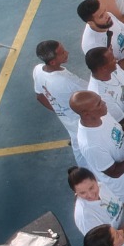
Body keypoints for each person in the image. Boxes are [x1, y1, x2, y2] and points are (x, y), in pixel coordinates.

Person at [33, 40, 95, 168]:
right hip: (83, 122)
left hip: (67, 121)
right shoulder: (67, 82)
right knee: (92, 150)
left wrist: (59, 109)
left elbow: (39, 96)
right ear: (53, 62)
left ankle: (84, 170)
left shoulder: (38, 70)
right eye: (62, 53)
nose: (67, 52)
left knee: (78, 146)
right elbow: (93, 93)